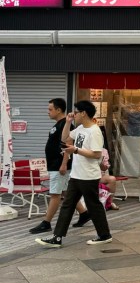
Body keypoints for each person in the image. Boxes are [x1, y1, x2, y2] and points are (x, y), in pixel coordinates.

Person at [35, 100, 112, 248]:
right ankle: (57, 237)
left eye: (76, 112)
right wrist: (68, 122)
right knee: (67, 205)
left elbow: (96, 154)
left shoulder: (94, 131)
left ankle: (104, 235)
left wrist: (75, 150)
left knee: (93, 205)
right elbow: (65, 139)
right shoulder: (80, 128)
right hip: (76, 175)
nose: (73, 114)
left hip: (88, 176)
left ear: (84, 113)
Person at [29, 99, 87, 235]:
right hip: (55, 164)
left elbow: (68, 145)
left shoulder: (65, 125)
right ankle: (84, 213)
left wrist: (64, 163)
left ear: (59, 110)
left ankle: (46, 222)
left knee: (55, 194)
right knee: (66, 192)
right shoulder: (58, 124)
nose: (48, 112)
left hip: (59, 165)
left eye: (50, 109)